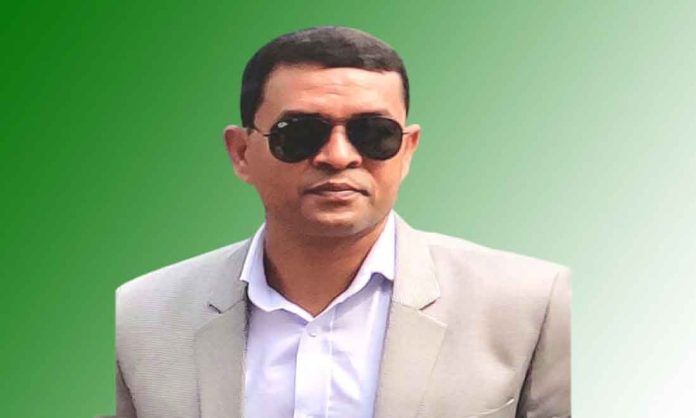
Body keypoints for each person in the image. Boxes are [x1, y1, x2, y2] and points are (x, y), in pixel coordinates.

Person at [113, 26, 571, 418]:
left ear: (407, 150)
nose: (338, 156)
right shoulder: (137, 316)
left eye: (374, 133)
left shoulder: (531, 305)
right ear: (241, 152)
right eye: (300, 133)